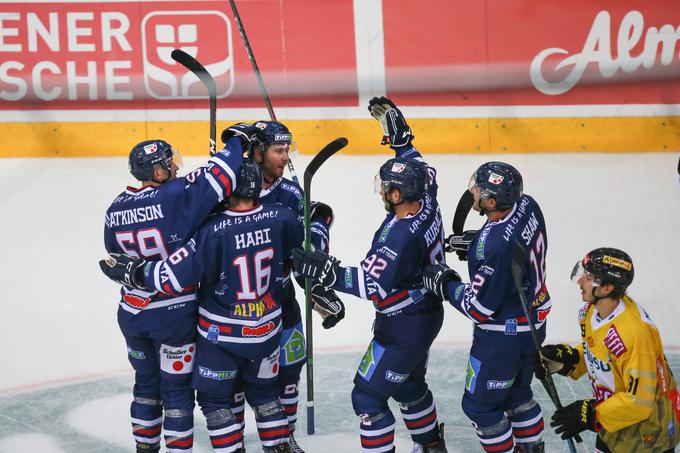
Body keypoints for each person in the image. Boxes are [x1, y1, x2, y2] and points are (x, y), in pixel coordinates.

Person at [100, 159, 326, 453]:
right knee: (266, 395)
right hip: (268, 329)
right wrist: (319, 221)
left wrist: (135, 273)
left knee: (215, 402)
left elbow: (172, 276)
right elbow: (308, 256)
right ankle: (281, 446)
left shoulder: (210, 230)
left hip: (222, 337)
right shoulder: (282, 217)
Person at [292, 97, 447, 452]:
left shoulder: (400, 235)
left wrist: (327, 271)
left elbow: (372, 284)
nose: (381, 191)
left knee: (367, 398)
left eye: (385, 187)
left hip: (403, 322)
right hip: (422, 312)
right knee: (409, 387)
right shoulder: (427, 199)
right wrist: (403, 143)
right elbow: (420, 167)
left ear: (396, 194)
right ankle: (433, 447)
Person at [103, 136, 246, 453]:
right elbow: (221, 177)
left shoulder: (114, 209)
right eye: (169, 162)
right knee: (177, 390)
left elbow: (115, 256)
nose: (175, 166)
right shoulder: (173, 195)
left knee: (145, 385)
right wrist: (235, 143)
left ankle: (145, 447)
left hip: (132, 313)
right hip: (173, 316)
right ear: (156, 171)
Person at [223, 121, 344, 453]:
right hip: (234, 309)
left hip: (279, 301)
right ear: (258, 151)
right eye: (278, 150)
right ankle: (233, 445)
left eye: (287, 149)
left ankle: (281, 442)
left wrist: (315, 285)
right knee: (233, 382)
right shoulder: (226, 190)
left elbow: (307, 250)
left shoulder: (290, 194)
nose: (285, 157)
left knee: (290, 368)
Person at [421, 162, 551, 453]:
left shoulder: (494, 246)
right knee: (518, 396)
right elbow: (509, 242)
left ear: (491, 201)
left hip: (501, 338)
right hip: (534, 323)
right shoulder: (528, 204)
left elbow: (479, 308)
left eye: (479, 188)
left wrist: (446, 284)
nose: (473, 190)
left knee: (479, 407)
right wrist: (477, 241)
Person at [537, 248, 680, 452]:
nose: (580, 281)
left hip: (647, 436)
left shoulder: (635, 333)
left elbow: (639, 401)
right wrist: (570, 360)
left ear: (606, 288)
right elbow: (600, 351)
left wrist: (591, 414)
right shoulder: (591, 312)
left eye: (588, 277)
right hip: (615, 425)